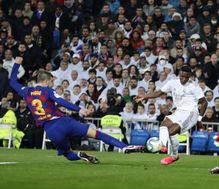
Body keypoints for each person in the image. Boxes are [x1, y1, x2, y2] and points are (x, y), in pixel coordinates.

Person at [9, 57, 140, 164]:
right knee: (97, 134)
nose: (52, 84)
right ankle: (124, 147)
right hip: (63, 122)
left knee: (67, 154)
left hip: (50, 130)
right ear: (47, 81)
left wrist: (16, 64)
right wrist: (79, 109)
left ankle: (79, 155)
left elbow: (13, 83)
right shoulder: (47, 90)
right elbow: (61, 101)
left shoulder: (26, 92)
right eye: (51, 81)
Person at [135, 66, 207, 165]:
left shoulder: (194, 86)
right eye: (181, 76)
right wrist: (144, 96)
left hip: (191, 113)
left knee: (172, 130)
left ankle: (171, 154)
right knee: (164, 125)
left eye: (186, 77)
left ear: (190, 76)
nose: (183, 79)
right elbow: (159, 92)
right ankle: (166, 149)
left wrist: (199, 119)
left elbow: (204, 102)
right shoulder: (173, 82)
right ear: (179, 75)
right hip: (178, 111)